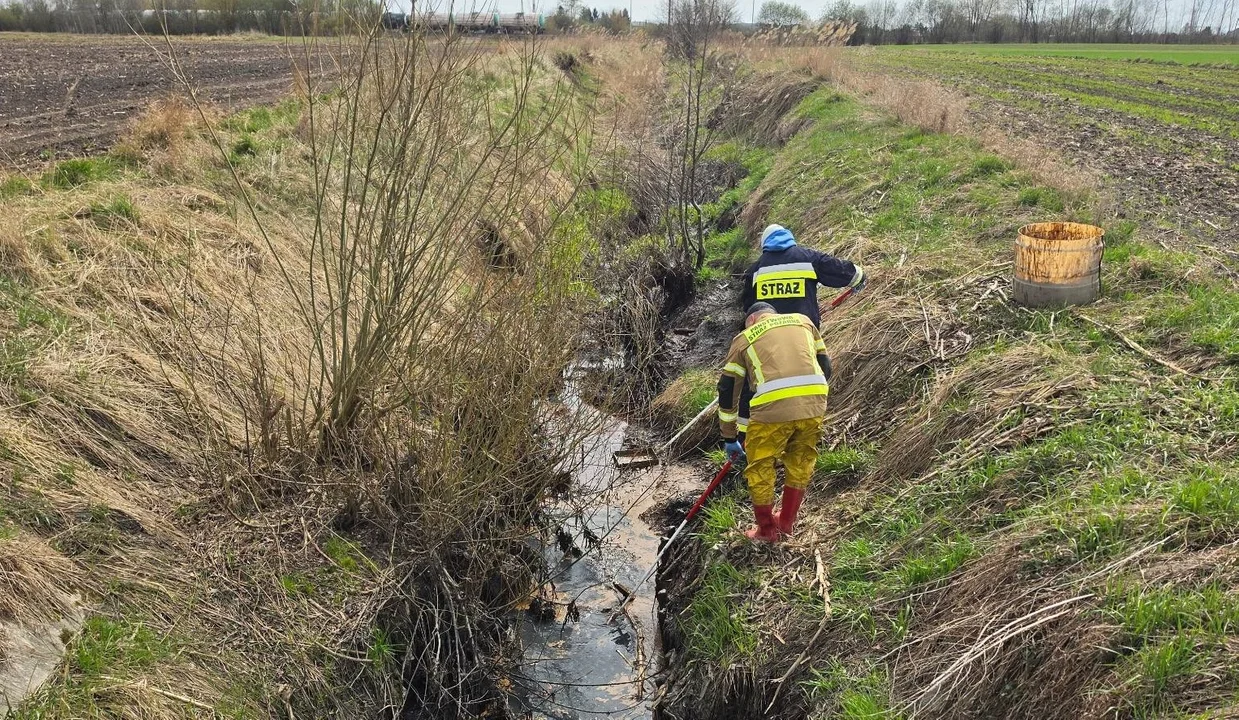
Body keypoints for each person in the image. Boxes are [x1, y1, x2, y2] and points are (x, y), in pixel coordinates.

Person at [717, 302, 832, 542]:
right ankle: (787, 522)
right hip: (814, 402)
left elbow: (728, 389)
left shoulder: (744, 337)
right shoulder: (804, 322)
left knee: (760, 466)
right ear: (773, 316)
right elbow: (825, 366)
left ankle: (767, 530)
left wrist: (729, 436)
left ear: (751, 320)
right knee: (801, 459)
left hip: (771, 410)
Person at [740, 224, 865, 328]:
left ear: (765, 243)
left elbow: (749, 308)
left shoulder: (755, 270)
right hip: (805, 330)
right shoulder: (808, 258)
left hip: (769, 334)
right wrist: (860, 276)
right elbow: (838, 270)